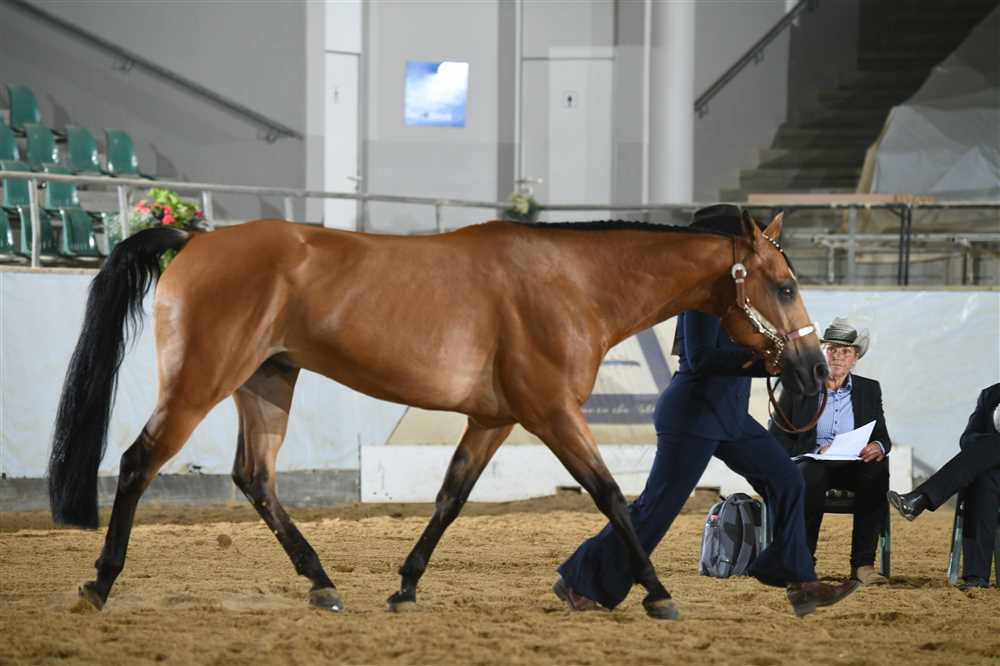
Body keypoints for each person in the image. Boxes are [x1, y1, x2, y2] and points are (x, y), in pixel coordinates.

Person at [552, 204, 859, 618]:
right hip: (694, 413)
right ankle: (581, 580)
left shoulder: (742, 297)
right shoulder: (701, 298)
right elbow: (699, 359)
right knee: (656, 509)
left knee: (787, 480)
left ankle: (798, 579)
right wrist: (762, 364)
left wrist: (777, 356)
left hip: (729, 417)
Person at [769, 318, 892, 586]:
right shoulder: (797, 387)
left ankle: (863, 565)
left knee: (877, 470)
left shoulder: (869, 389)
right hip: (812, 464)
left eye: (845, 351)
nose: (837, 356)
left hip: (853, 465)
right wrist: (815, 450)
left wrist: (879, 446)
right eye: (831, 349)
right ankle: (803, 564)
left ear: (855, 359)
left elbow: (882, 435)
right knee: (809, 474)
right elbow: (776, 438)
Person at [888, 383, 1000, 590]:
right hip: (992, 476)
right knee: (981, 481)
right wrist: (988, 444)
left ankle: (921, 498)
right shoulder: (991, 394)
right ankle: (976, 577)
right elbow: (967, 439)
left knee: (991, 452)